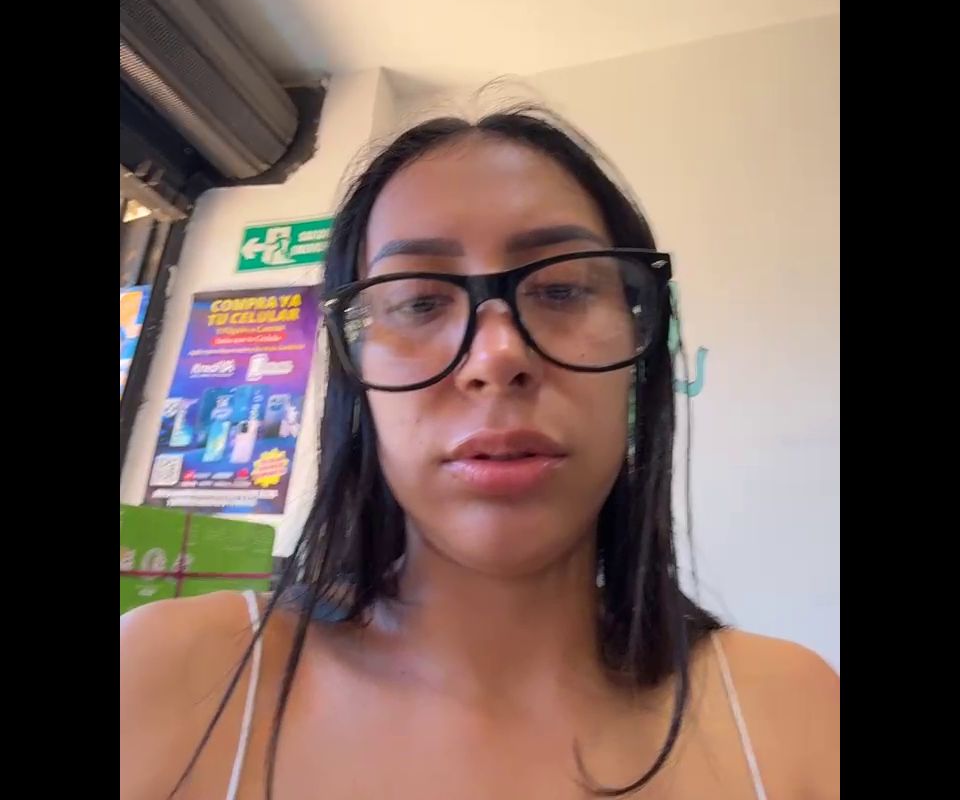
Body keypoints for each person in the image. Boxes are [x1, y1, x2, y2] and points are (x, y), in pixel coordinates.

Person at [121, 108, 839, 800]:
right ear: (354, 371)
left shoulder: (793, 712)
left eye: (562, 289)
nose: (497, 356)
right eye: (419, 302)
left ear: (639, 342)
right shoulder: (170, 676)